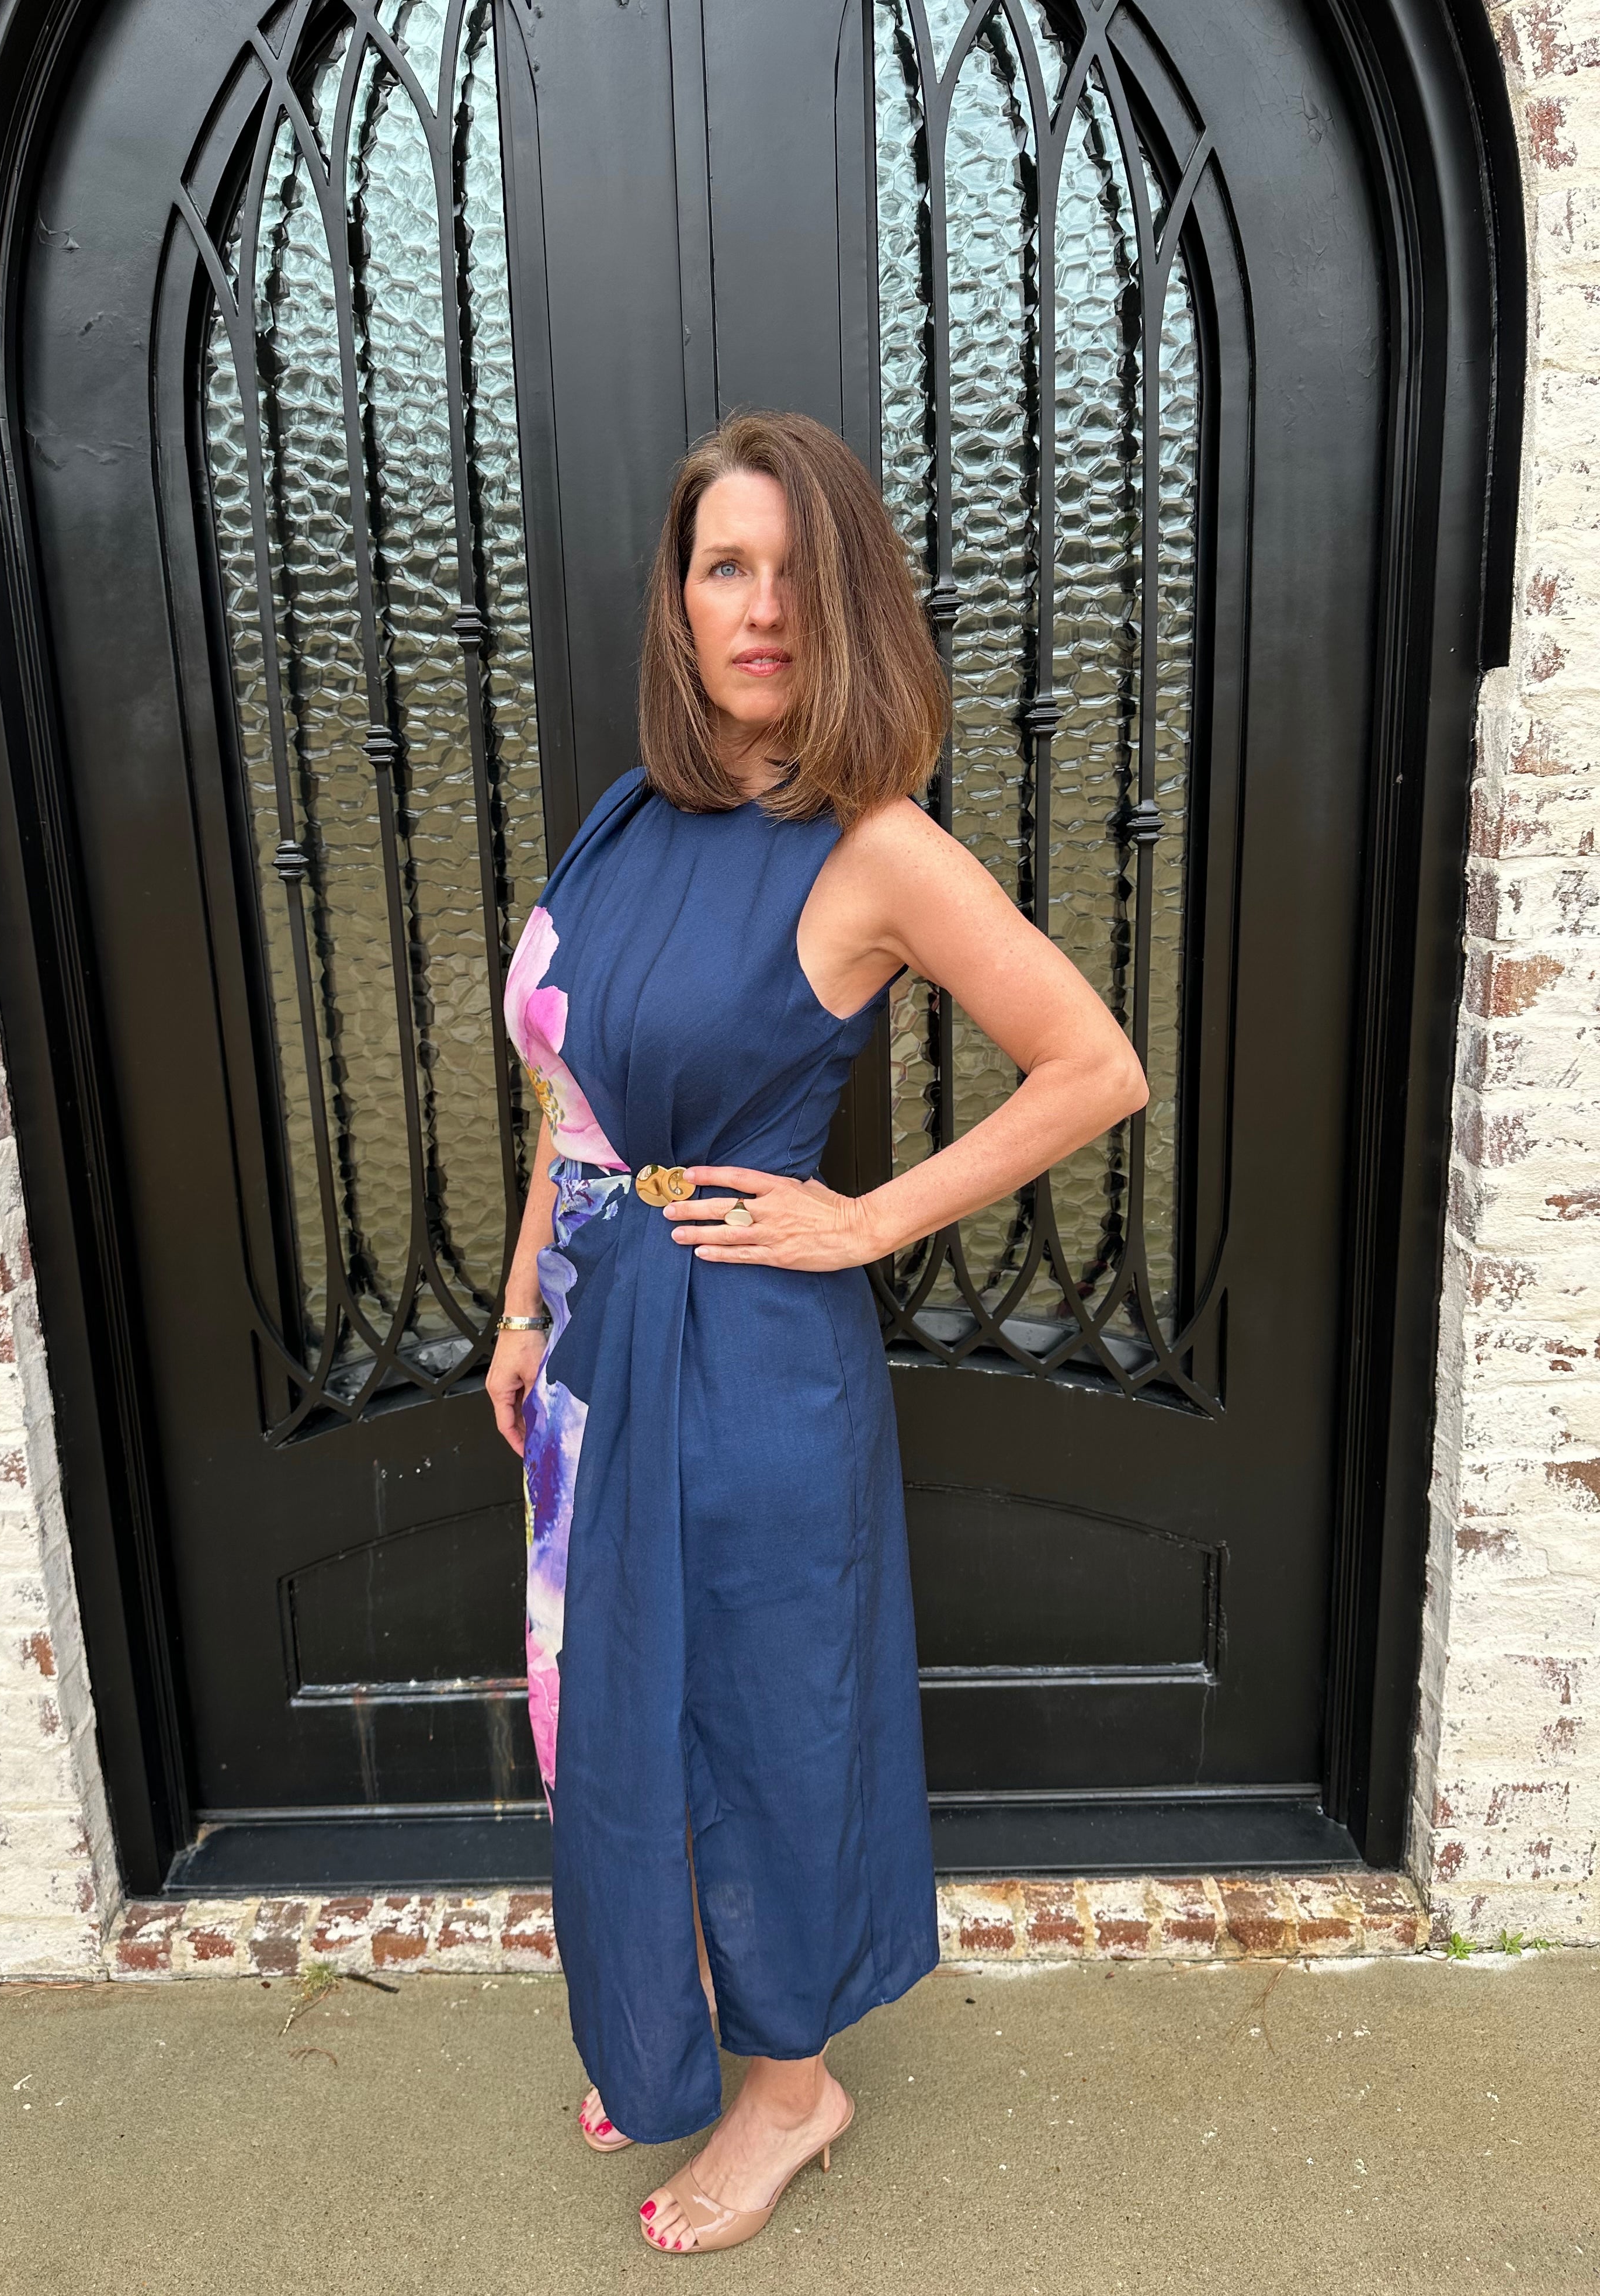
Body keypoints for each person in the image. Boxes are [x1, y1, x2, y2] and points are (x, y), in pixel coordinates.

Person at [486, 409, 1147, 2255]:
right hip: (598, 1350)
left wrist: (864, 1219)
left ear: (847, 601)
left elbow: (1095, 1065)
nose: (760, 607)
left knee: (755, 1715)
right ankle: (672, 2010)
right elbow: (569, 1094)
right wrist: (524, 1295)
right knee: (614, 1702)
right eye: (726, 567)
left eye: (795, 571)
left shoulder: (876, 850)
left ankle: (791, 2088)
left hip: (751, 1365)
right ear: (680, 601)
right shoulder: (628, 817)